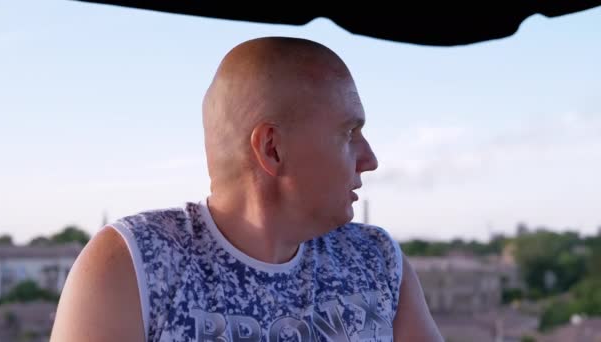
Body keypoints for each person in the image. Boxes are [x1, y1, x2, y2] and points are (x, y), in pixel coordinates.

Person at [50, 36, 443, 342]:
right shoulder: (132, 266)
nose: (369, 158)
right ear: (272, 148)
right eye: (349, 133)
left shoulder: (377, 262)